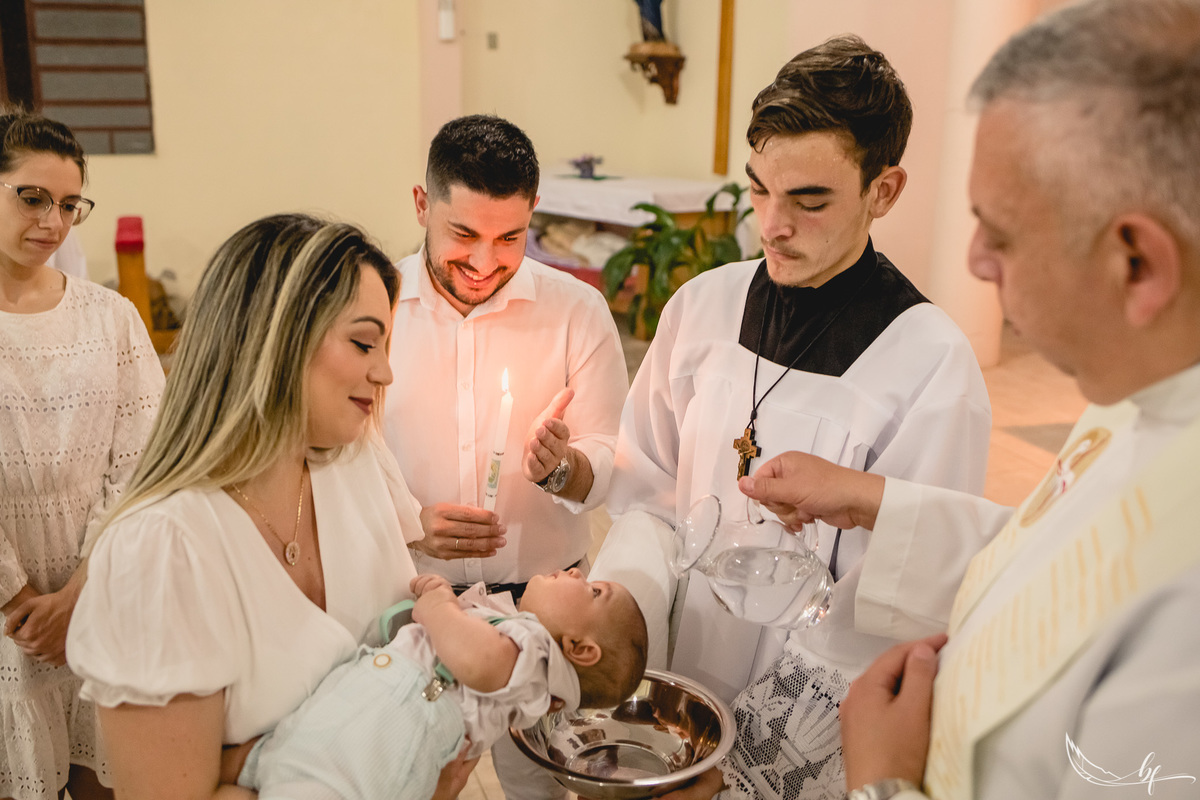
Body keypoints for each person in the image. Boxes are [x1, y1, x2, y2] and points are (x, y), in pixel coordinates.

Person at [739, 2, 1200, 798]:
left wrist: (882, 784)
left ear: (1138, 265)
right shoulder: (1133, 404)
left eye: (1002, 231)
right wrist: (871, 497)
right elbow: (1043, 556)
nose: (976, 261)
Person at [592, 36, 993, 799]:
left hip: (796, 742)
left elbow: (898, 605)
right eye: (758, 191)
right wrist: (622, 633)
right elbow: (644, 491)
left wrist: (745, 769)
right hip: (673, 687)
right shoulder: (703, 307)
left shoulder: (932, 366)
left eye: (809, 200)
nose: (771, 225)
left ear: (886, 189)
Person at [65, 214, 470, 799]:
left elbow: (414, 673)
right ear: (276, 340)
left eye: (384, 346)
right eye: (363, 342)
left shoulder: (355, 467)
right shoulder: (162, 549)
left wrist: (248, 766)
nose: (384, 372)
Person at [382, 114, 628, 798]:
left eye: (509, 238)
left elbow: (608, 453)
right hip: (410, 600)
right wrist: (407, 520)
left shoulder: (577, 311)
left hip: (542, 609)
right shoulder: (372, 302)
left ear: (534, 216)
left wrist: (565, 468)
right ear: (422, 204)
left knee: (545, 786)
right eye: (463, 234)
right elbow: (333, 457)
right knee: (405, 778)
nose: (485, 262)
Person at [0, 108, 163, 800]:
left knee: (105, 780)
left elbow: (143, 464)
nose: (53, 222)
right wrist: (20, 602)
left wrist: (82, 593)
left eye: (69, 205)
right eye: (31, 197)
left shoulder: (111, 317)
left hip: (101, 598)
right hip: (8, 616)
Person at [239, 569, 648, 800]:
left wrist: (439, 606)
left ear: (579, 648)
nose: (579, 572)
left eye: (595, 590)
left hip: (389, 735)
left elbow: (476, 660)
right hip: (360, 720)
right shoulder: (523, 639)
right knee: (269, 766)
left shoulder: (538, 656)